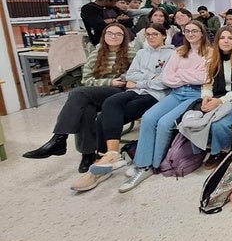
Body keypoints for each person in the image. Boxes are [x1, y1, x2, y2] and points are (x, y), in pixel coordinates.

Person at [70, 23, 175, 191]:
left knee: (103, 118)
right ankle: (110, 156)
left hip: (156, 95)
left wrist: (140, 80)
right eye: (148, 34)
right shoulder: (141, 53)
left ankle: (102, 163)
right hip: (137, 90)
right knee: (109, 104)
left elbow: (164, 81)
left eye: (155, 34)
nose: (151, 37)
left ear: (164, 35)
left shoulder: (172, 54)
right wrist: (146, 79)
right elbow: (130, 74)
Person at [22, 23, 134, 173]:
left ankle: (59, 139)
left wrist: (112, 82)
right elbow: (86, 79)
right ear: (104, 36)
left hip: (118, 92)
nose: (113, 37)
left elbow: (128, 78)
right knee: (86, 109)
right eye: (110, 33)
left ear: (124, 37)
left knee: (77, 93)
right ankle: (87, 155)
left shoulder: (132, 53)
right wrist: (108, 81)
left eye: (118, 34)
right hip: (96, 92)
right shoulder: (97, 53)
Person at [119, 21, 212, 193]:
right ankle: (142, 163)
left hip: (195, 94)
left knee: (165, 123)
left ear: (202, 32)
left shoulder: (210, 53)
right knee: (148, 118)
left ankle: (153, 165)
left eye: (194, 31)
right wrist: (187, 76)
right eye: (187, 31)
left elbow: (205, 78)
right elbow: (167, 78)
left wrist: (181, 74)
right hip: (176, 92)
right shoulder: (179, 52)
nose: (190, 34)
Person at [184, 26, 232, 170]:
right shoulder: (211, 61)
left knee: (220, 123)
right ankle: (201, 150)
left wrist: (220, 101)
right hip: (216, 97)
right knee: (192, 118)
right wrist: (206, 98)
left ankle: (221, 152)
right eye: (222, 38)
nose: (226, 41)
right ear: (217, 41)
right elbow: (207, 84)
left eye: (230, 38)